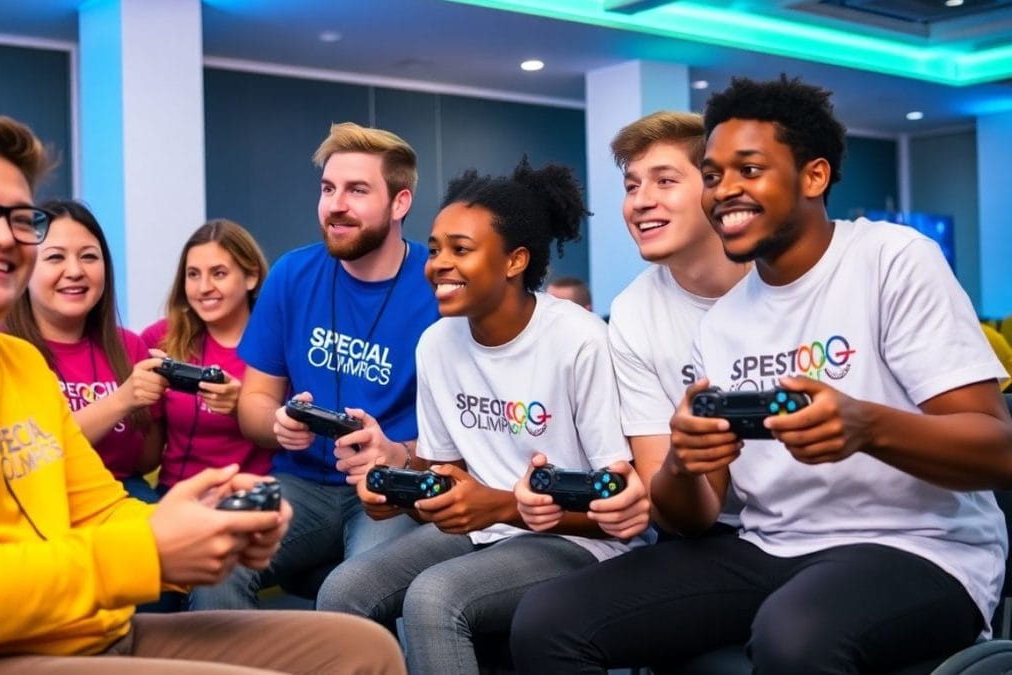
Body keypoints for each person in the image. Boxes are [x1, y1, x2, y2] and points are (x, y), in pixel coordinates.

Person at [0, 114, 405, 674]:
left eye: (21, 219)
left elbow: (100, 508)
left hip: (72, 631)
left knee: (358, 649)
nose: (2, 237)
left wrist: (204, 524)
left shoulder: (17, 361)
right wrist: (146, 551)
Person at [511, 75, 1012, 674]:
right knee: (548, 620)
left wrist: (866, 425)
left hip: (918, 547)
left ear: (813, 176)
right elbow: (694, 515)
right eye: (715, 175)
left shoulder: (891, 260)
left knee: (794, 635)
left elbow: (997, 451)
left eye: (748, 170)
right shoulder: (724, 322)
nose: (725, 191)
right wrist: (683, 460)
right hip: (770, 547)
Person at [317, 158, 653, 675]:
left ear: (515, 260)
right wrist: (398, 492)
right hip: (482, 528)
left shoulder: (578, 340)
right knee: (344, 590)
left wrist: (498, 507)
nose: (438, 264)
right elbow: (439, 474)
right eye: (433, 250)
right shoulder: (437, 344)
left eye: (461, 250)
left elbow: (615, 515)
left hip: (579, 539)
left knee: (434, 597)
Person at [207, 122, 439, 610]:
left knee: (356, 589)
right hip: (301, 482)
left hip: (389, 488)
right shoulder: (292, 274)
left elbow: (467, 434)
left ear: (400, 203)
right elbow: (254, 401)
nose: (336, 204)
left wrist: (396, 451)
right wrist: (279, 424)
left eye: (357, 190)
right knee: (215, 558)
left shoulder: (438, 287)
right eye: (328, 189)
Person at [605, 111, 751, 534]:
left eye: (665, 181)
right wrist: (684, 462)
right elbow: (672, 509)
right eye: (632, 186)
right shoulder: (633, 311)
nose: (641, 201)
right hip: (718, 531)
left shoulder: (777, 282)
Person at [2, 199, 164, 503]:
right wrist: (122, 400)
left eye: (89, 256)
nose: (75, 271)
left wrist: (166, 402)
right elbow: (33, 453)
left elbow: (144, 462)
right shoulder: (5, 350)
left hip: (121, 493)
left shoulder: (130, 346)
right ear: (25, 269)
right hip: (39, 498)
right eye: (55, 257)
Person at [140, 220, 274, 496]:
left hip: (250, 496)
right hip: (175, 495)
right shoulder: (159, 339)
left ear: (251, 277)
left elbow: (298, 438)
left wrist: (244, 408)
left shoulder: (277, 343)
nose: (204, 287)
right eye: (193, 274)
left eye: (219, 273)